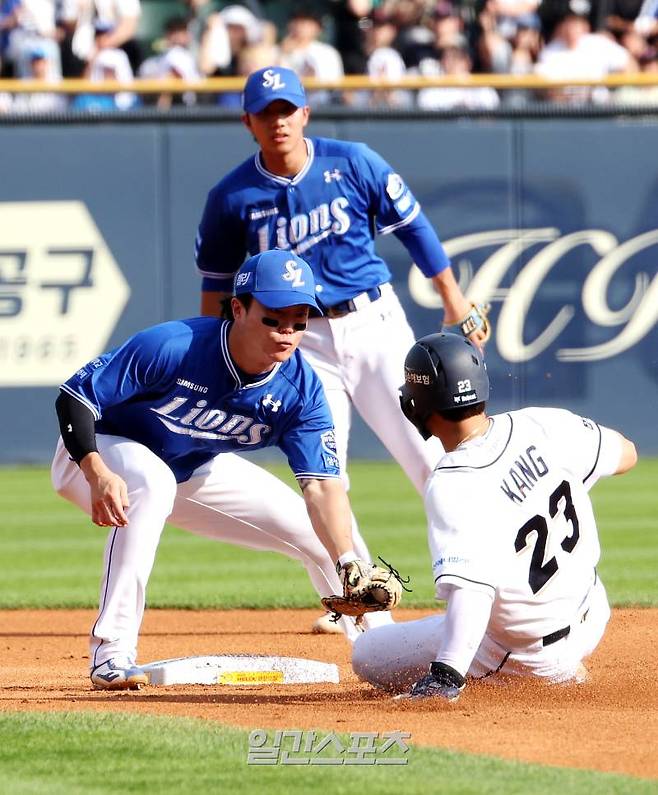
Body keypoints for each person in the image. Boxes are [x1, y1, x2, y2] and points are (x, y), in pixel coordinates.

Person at [195, 65, 490, 632]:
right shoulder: (231, 198)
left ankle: (476, 582)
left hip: (374, 323)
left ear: (305, 113)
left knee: (431, 457)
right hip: (301, 340)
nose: (278, 121)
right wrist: (218, 357)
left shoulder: (351, 161)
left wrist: (453, 299)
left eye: (287, 110)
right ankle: (357, 600)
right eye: (266, 113)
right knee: (325, 473)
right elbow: (214, 289)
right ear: (248, 122)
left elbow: (414, 225)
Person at [51, 249, 390, 691]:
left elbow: (323, 487)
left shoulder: (300, 392)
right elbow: (74, 398)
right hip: (95, 455)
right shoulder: (174, 346)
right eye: (273, 318)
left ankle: (386, 651)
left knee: (321, 537)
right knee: (150, 482)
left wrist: (347, 560)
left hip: (189, 470)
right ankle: (111, 654)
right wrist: (96, 471)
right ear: (238, 308)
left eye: (300, 320)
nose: (287, 331)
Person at [351, 332, 638, 700]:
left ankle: (550, 673)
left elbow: (472, 592)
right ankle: (564, 662)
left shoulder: (453, 481)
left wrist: (446, 674)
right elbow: (627, 453)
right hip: (594, 613)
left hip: (529, 656)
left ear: (420, 404)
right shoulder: (541, 423)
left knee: (366, 655)